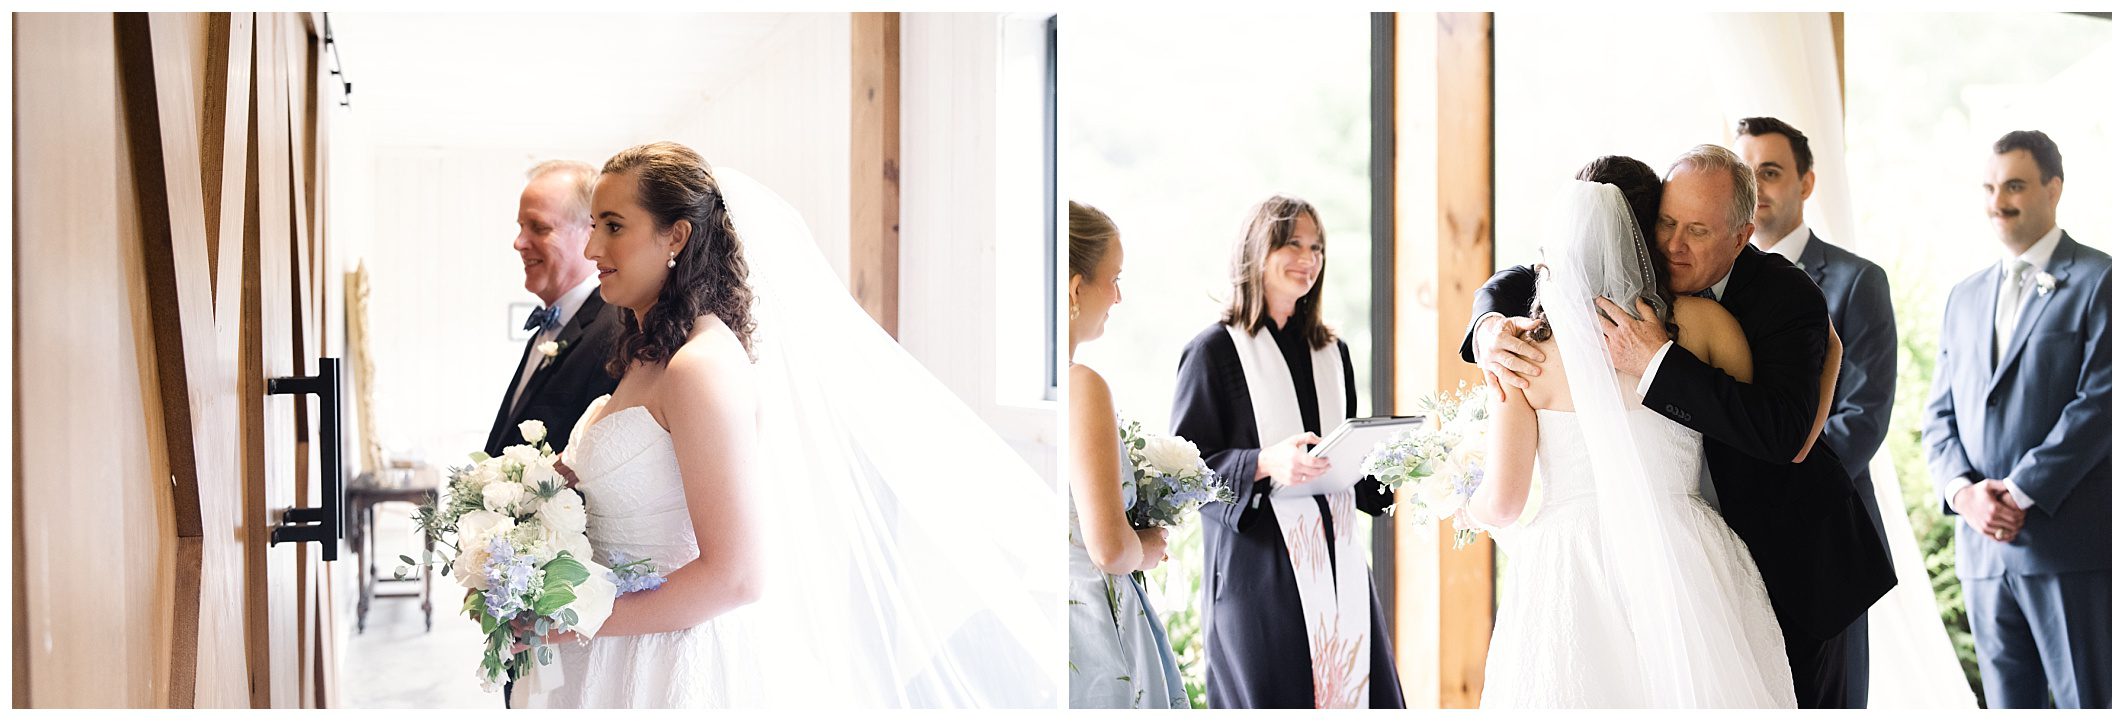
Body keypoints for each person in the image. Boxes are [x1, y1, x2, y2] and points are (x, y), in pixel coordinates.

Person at [512, 142, 1058, 708]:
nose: (594, 246)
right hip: (613, 652)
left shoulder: (700, 365)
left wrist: (575, 620)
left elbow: (737, 576)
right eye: (595, 225)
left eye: (613, 226)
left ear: (675, 236)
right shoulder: (650, 354)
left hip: (665, 664)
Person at [1463, 145, 1893, 708]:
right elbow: (1518, 278)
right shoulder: (1588, 304)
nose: (1673, 246)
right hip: (1667, 548)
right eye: (1664, 224)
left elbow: (1784, 433)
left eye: (1696, 231)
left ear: (1740, 236)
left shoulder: (1783, 294)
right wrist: (1488, 325)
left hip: (1792, 550)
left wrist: (1659, 362)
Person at [1171, 195, 1403, 709]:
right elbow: (1186, 475)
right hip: (1260, 574)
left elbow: (1350, 464)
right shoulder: (1214, 351)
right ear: (1258, 249)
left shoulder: (1331, 352)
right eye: (1293, 243)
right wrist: (1265, 461)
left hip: (1337, 561)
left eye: (1317, 246)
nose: (1309, 257)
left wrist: (1397, 460)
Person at [1924, 130, 2110, 709]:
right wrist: (1965, 495)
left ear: (2054, 190)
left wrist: (2019, 492)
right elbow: (1939, 415)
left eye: (2016, 186)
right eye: (1989, 187)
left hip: (2067, 547)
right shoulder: (1964, 295)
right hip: (1981, 553)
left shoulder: (2103, 281)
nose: (1998, 201)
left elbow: (2102, 403)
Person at [1735, 116, 1896, 707]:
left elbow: (1863, 414)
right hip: (1736, 537)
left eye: (1771, 172)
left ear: (1806, 182)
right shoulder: (1710, 286)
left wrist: (1778, 487)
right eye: (1745, 174)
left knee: (1834, 697)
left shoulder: (1856, 281)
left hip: (1825, 524)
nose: (1757, 188)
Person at [1066, 201, 1187, 709]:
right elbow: (1111, 550)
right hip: (1091, 623)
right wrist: (1147, 545)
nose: (1118, 296)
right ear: (1076, 289)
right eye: (1113, 278)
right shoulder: (1082, 387)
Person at [484, 160, 624, 458]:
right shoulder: (550, 323)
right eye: (521, 227)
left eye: (539, 227)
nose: (519, 242)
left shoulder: (615, 330)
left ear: (590, 233)